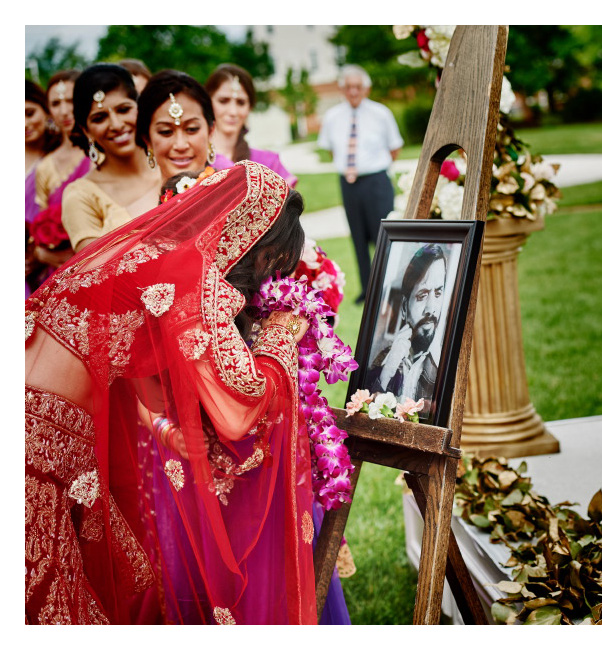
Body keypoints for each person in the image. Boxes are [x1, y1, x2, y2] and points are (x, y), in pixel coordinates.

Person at [26, 161, 320, 624]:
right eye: (268, 259)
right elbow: (239, 404)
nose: (265, 274)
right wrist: (281, 334)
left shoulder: (155, 249)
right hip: (40, 442)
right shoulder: (192, 274)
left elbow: (151, 388)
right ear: (249, 238)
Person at [317, 64, 404, 304]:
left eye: (358, 87)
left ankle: (391, 288)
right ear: (342, 89)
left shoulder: (381, 113)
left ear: (366, 89)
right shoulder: (333, 117)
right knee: (357, 236)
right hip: (349, 183)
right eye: (348, 87)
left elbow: (395, 147)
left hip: (376, 181)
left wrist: (375, 166)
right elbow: (331, 149)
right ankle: (368, 290)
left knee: (383, 235)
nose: (353, 91)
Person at [61, 64, 160, 253]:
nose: (116, 124)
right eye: (99, 118)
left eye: (123, 109)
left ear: (139, 108)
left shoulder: (171, 161)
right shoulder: (81, 196)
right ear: (85, 130)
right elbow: (94, 273)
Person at [366, 244, 446, 418]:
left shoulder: (445, 364)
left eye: (438, 294)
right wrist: (389, 368)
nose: (431, 309)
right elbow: (368, 410)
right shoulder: (386, 359)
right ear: (404, 307)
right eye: (422, 295)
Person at [30, 70, 91, 283]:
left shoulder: (102, 153)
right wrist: (43, 253)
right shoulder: (45, 166)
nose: (64, 111)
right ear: (48, 110)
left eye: (70, 101)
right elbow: (40, 228)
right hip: (58, 273)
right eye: (56, 103)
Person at [205, 63, 298, 187]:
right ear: (207, 103)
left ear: (250, 107)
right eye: (223, 101)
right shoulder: (193, 161)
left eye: (241, 102)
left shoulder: (268, 163)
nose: (233, 112)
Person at [136, 70, 216, 187]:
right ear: (147, 140)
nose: (180, 145)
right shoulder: (139, 205)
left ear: (210, 131)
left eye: (191, 129)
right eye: (166, 132)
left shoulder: (239, 198)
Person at [25, 79, 59, 296]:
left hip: (52, 266)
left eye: (29, 113)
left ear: (45, 110)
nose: (24, 123)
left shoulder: (59, 159)